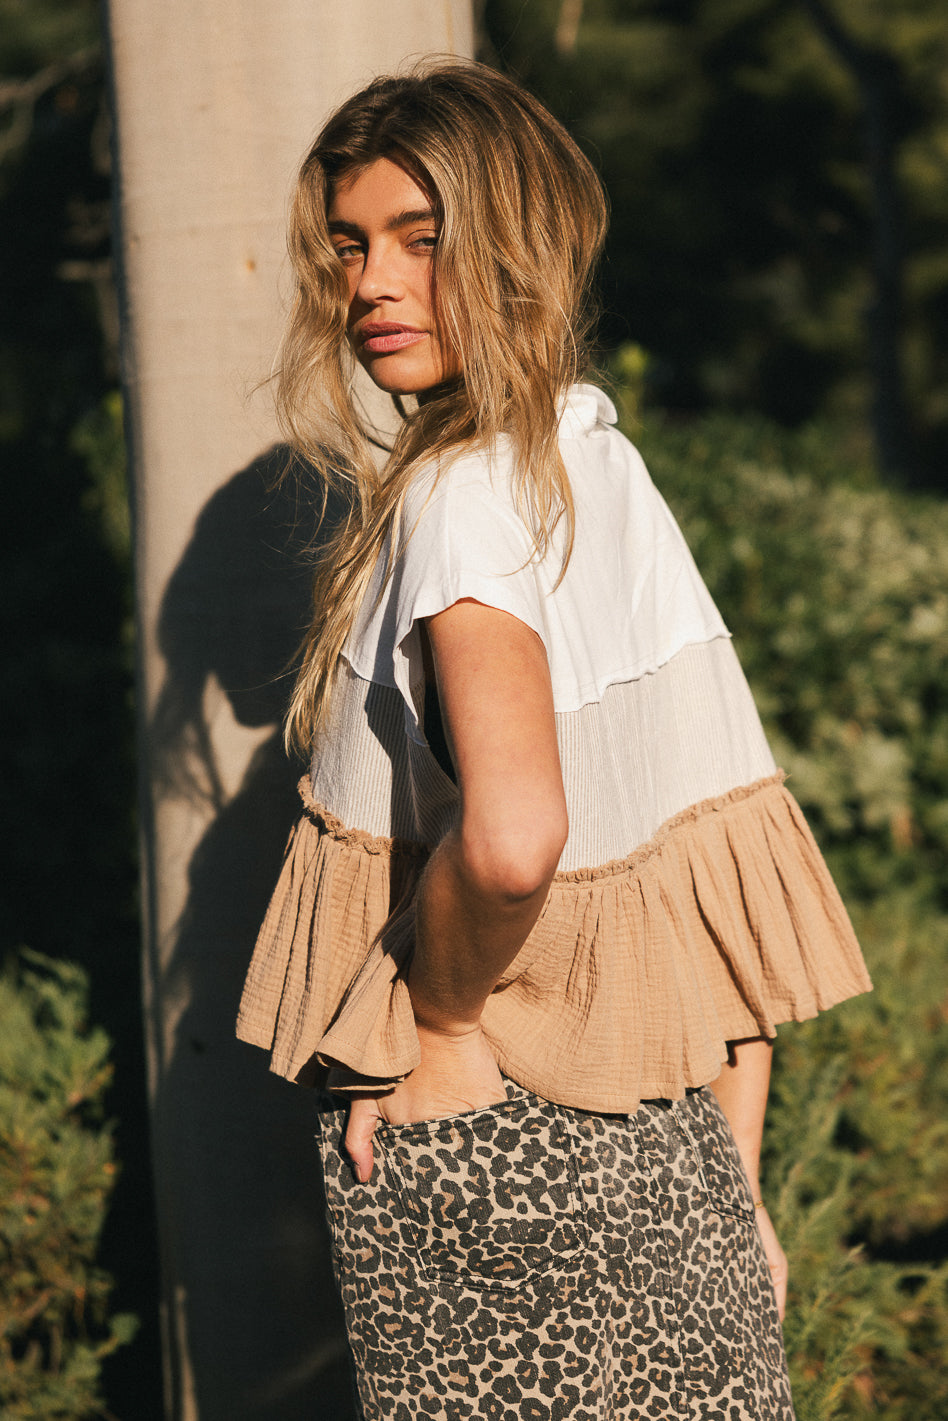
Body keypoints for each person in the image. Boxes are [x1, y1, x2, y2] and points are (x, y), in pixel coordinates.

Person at [237, 61, 871, 1421]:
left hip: (489, 1130)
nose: (372, 287)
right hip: (678, 1151)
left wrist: (442, 1024)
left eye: (421, 239)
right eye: (350, 246)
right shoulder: (603, 470)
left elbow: (518, 837)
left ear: (515, 246)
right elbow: (709, 876)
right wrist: (737, 1191)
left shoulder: (460, 500)